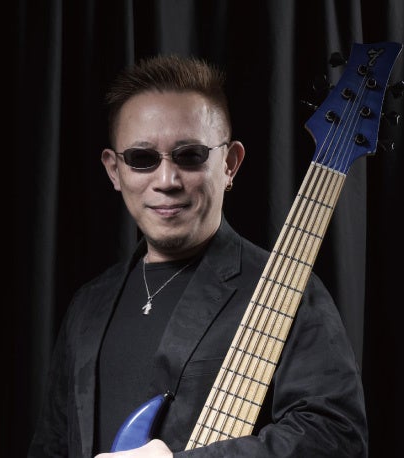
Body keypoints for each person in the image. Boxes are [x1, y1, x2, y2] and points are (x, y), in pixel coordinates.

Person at [28, 54, 368, 457]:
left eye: (190, 155)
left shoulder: (287, 289)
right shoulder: (88, 306)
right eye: (141, 159)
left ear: (230, 164)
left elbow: (336, 437)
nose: (167, 180)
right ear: (114, 171)